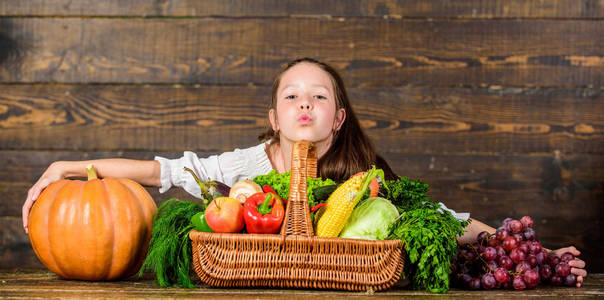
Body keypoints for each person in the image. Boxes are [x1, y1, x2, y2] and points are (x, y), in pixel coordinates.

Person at [21, 57, 587, 286]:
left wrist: (516, 244)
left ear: (338, 119)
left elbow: (440, 217)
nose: (305, 104)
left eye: (319, 96)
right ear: (274, 117)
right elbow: (162, 171)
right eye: (292, 95)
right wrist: (69, 166)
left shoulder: (361, 174)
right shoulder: (244, 168)